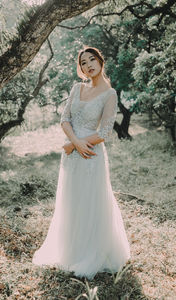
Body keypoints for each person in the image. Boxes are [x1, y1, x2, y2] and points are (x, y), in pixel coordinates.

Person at [32, 46, 130, 279]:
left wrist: (79, 144)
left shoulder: (110, 94)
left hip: (91, 153)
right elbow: (64, 118)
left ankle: (90, 252)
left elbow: (105, 131)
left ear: (100, 61)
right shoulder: (77, 88)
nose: (88, 65)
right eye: (84, 62)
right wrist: (73, 142)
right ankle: (70, 251)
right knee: (71, 200)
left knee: (91, 201)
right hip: (73, 152)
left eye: (92, 59)